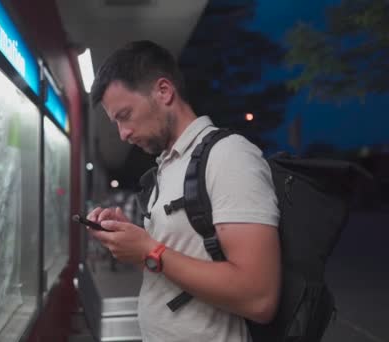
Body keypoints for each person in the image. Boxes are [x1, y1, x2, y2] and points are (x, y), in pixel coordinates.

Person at [86, 40, 281, 342]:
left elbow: (259, 297)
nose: (122, 134)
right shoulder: (168, 165)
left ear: (163, 91)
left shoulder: (229, 156)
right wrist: (135, 245)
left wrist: (149, 249)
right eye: (115, 124)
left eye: (124, 115)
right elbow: (173, 264)